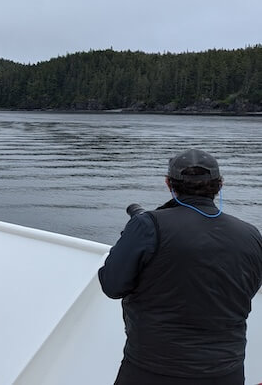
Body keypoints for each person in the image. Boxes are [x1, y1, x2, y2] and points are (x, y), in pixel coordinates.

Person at [98, 148, 262, 385]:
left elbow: (112, 285)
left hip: (152, 368)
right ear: (220, 185)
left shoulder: (148, 225)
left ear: (169, 184)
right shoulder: (251, 234)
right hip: (226, 370)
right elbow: (247, 289)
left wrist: (128, 238)